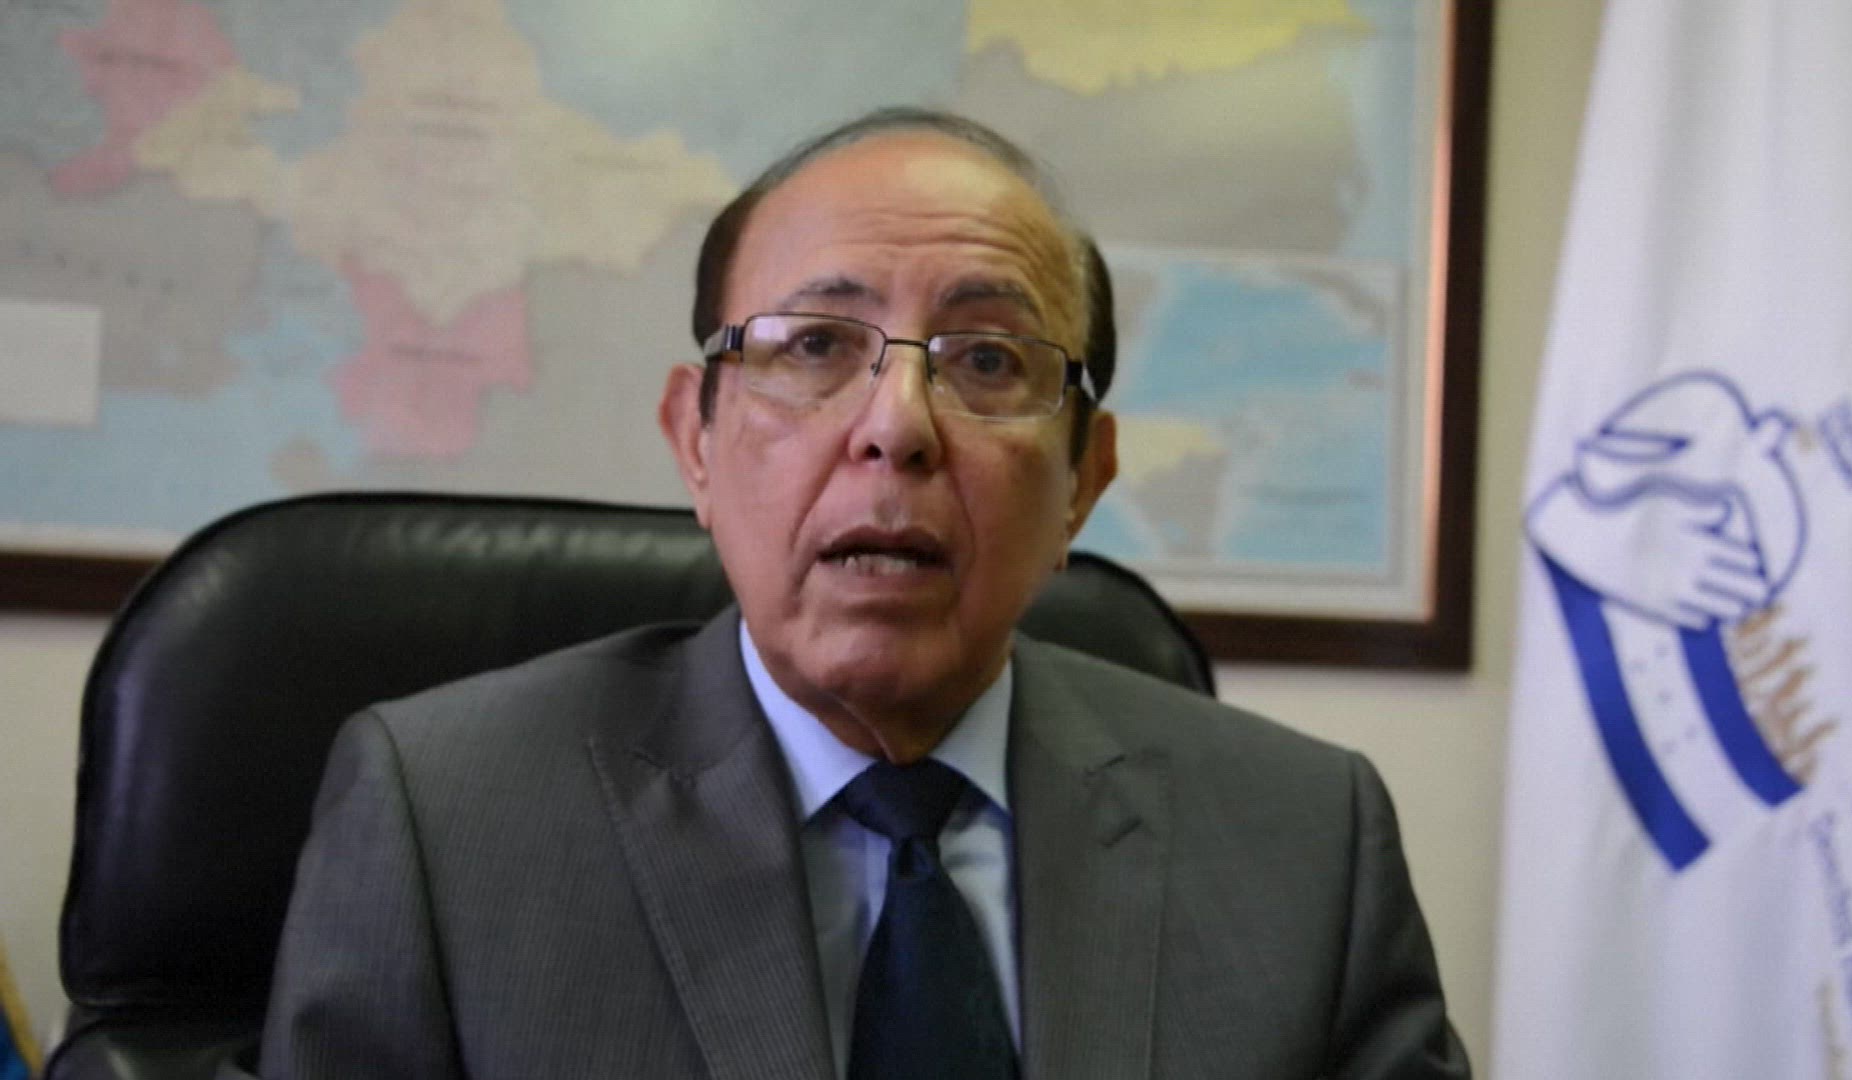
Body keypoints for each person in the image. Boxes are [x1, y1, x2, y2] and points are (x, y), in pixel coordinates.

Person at [250, 108, 1470, 1079]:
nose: (898, 427)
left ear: (1084, 484)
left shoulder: (1306, 843)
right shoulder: (445, 819)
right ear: (695, 442)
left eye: (987, 360)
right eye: (817, 347)